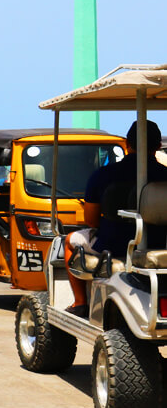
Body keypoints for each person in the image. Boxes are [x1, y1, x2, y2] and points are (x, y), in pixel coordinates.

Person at [64, 120, 167, 317]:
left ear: (127, 145)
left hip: (112, 246)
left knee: (69, 241)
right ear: (158, 146)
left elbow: (92, 221)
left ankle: (79, 303)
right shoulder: (165, 175)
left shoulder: (102, 175)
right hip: (159, 243)